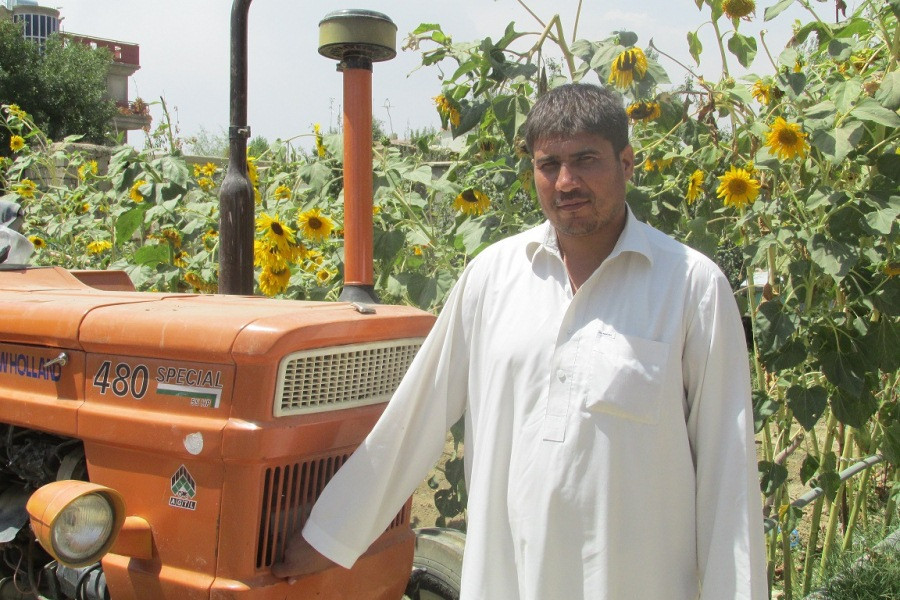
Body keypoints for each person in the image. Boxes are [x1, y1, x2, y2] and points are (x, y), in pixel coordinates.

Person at [274, 82, 767, 599]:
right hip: (506, 581)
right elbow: (417, 414)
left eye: (586, 160)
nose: (566, 181)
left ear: (627, 163)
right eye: (549, 164)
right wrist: (329, 535)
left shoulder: (690, 286)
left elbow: (727, 472)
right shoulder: (493, 276)